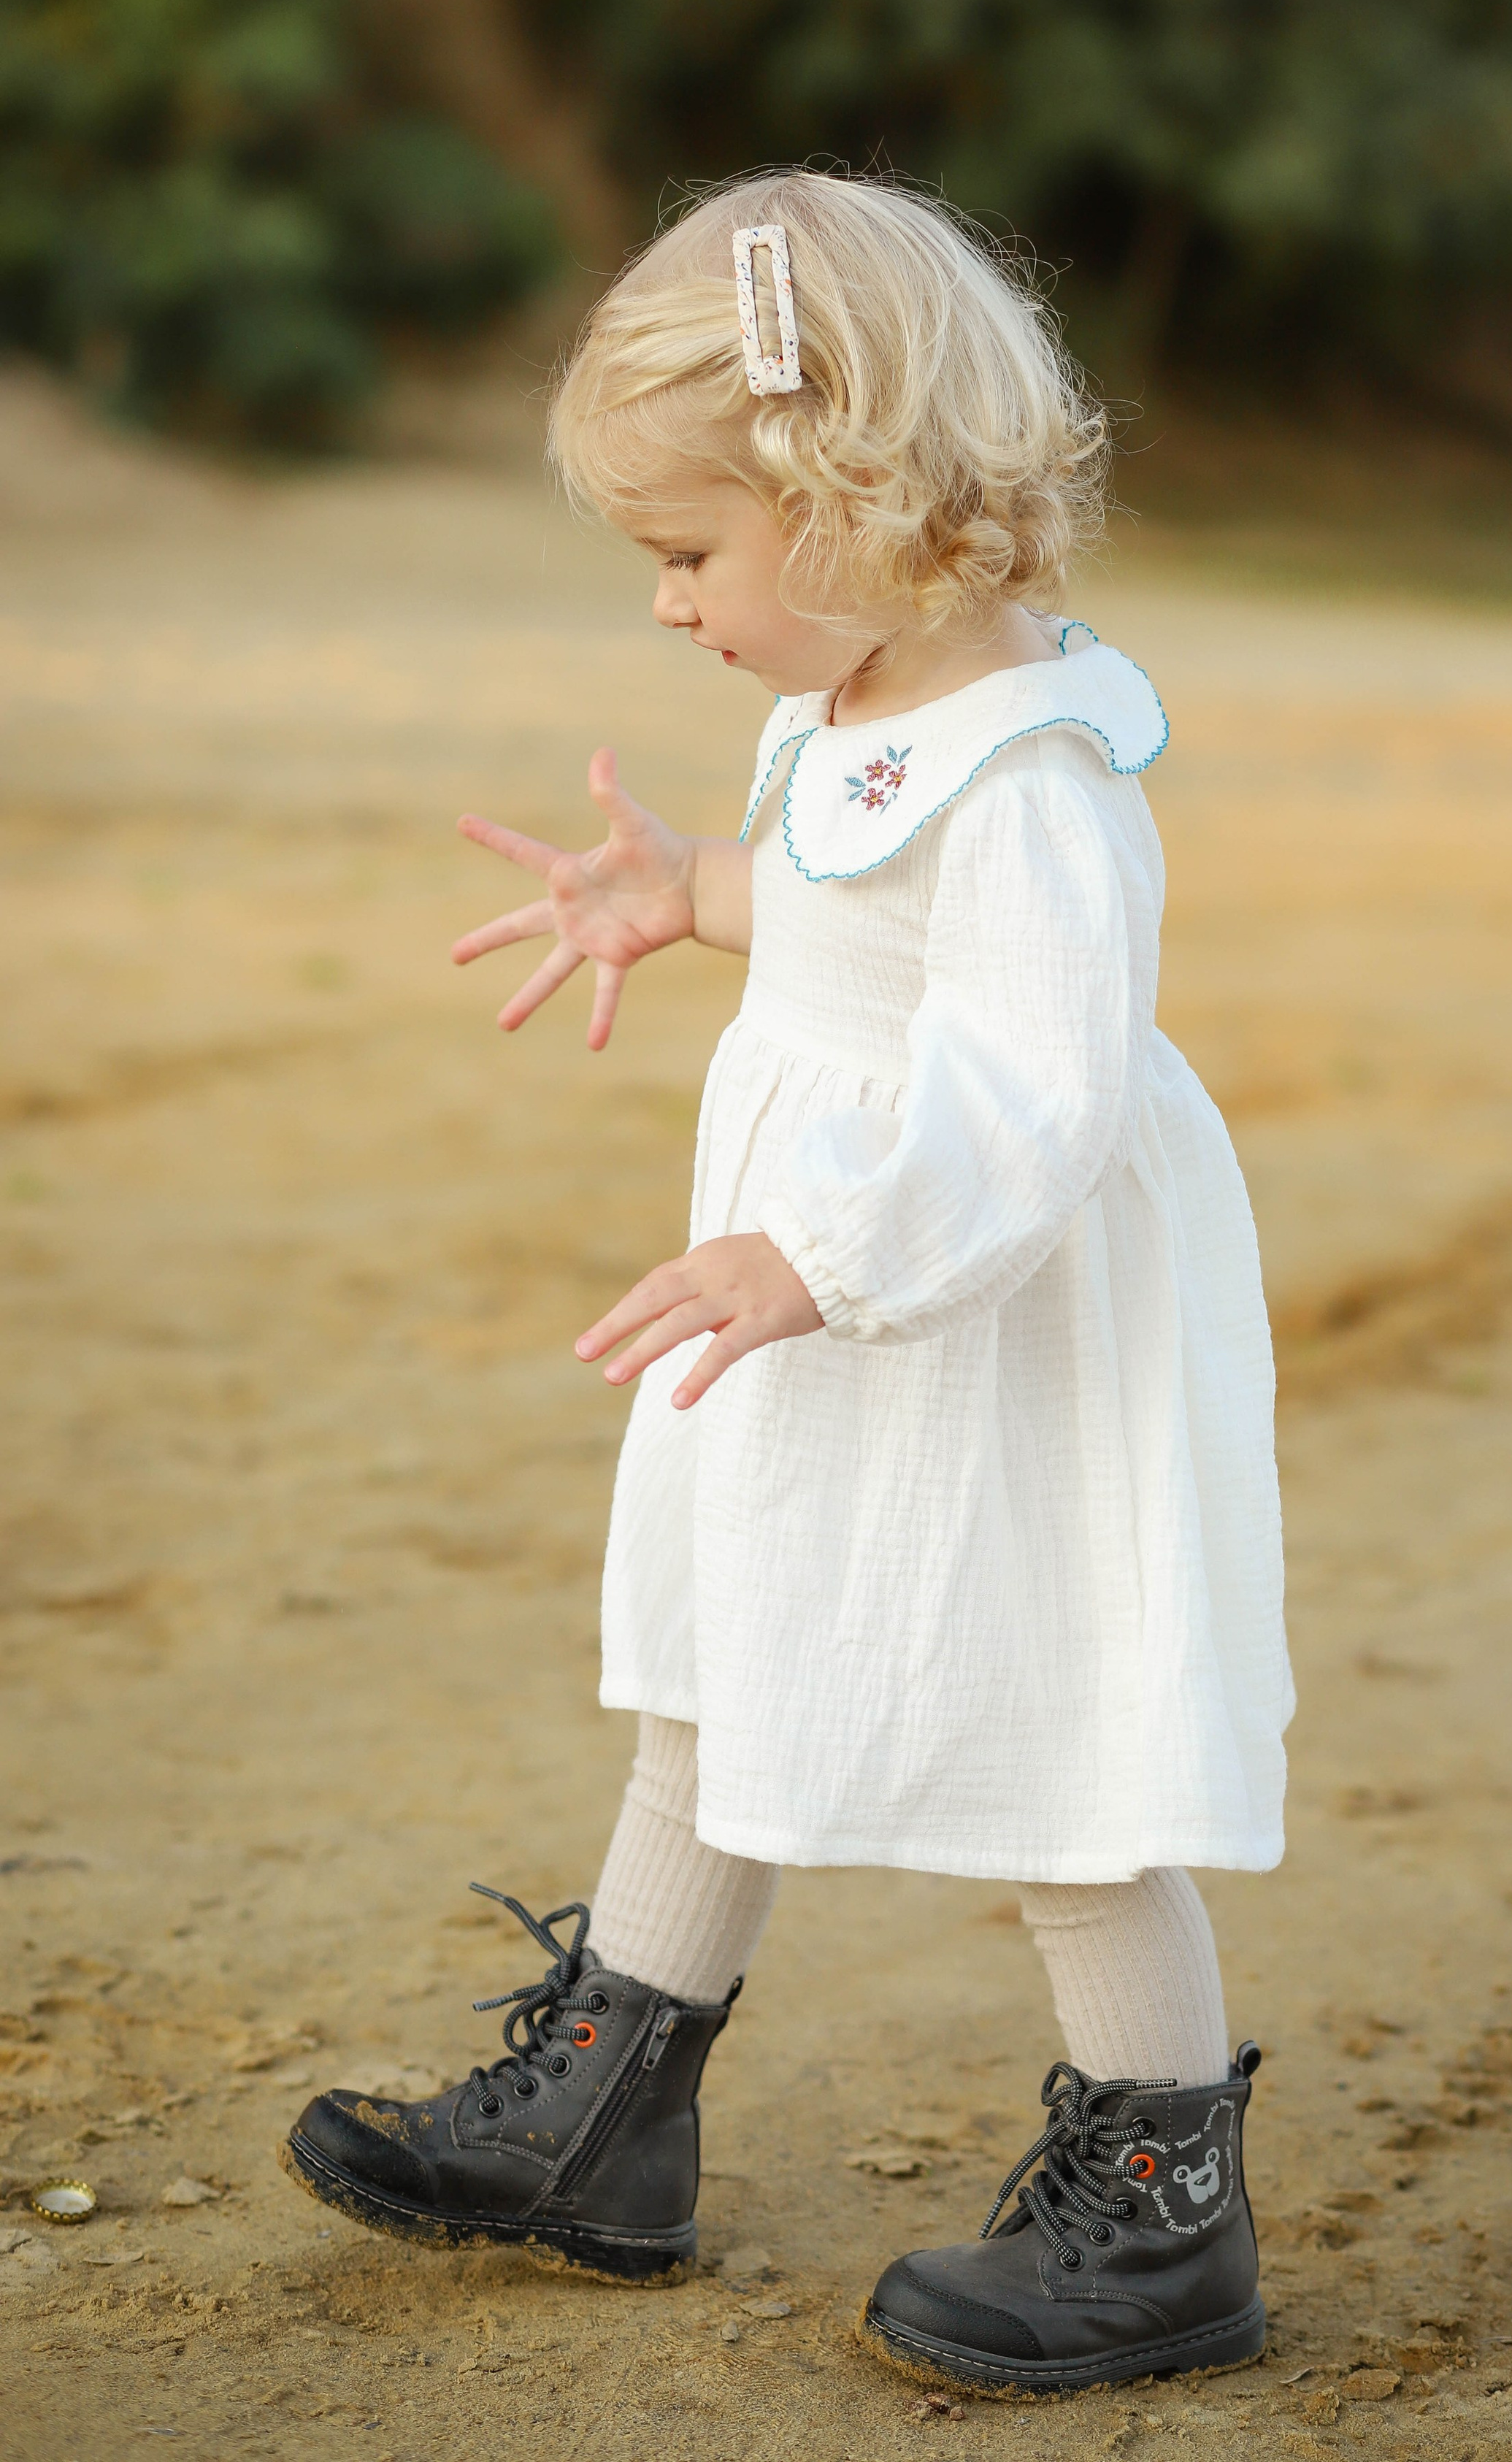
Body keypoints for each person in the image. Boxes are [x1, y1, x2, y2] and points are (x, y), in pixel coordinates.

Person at [280, 172, 1293, 2397]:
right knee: (724, 1664)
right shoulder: (857, 698)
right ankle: (603, 2119)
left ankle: (1162, 2206)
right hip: (828, 1304)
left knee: (1054, 1735)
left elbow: (1034, 1087)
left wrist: (809, 1250)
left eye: (687, 552)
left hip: (977, 1314)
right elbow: (852, 907)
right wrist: (699, 891)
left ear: (860, 492)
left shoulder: (1036, 769)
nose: (664, 606)